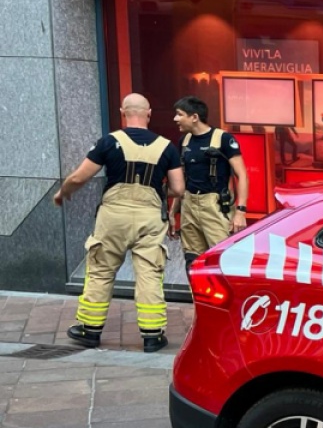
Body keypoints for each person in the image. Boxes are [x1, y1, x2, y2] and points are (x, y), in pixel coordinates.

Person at [53, 93, 184, 352]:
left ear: (123, 112)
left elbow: (79, 177)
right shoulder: (167, 147)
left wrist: (63, 191)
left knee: (101, 271)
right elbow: (179, 188)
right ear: (148, 114)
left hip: (113, 217)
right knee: (149, 274)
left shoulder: (109, 142)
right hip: (149, 217)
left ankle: (90, 330)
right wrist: (155, 189)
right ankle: (152, 335)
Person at [172, 96, 248, 268]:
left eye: (179, 114)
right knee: (192, 259)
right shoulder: (184, 141)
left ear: (194, 117)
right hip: (188, 205)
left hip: (215, 206)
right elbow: (181, 179)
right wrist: (172, 212)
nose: (175, 119)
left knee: (221, 259)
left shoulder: (223, 139)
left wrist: (240, 212)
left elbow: (242, 175)